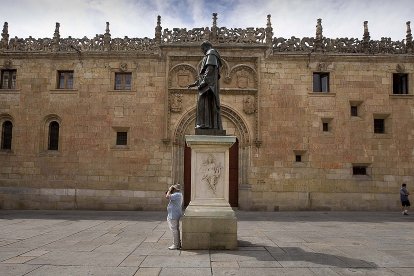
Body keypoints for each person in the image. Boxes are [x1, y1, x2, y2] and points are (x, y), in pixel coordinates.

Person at [188, 41, 223, 130]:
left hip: (208, 87)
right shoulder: (211, 54)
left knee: (202, 104)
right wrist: (196, 83)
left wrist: (203, 82)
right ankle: (207, 124)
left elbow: (210, 69)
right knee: (206, 105)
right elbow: (204, 73)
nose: (203, 51)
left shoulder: (211, 53)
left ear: (205, 47)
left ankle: (204, 124)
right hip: (207, 85)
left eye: (203, 49)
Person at [165, 184, 183, 249]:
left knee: (174, 230)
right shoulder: (178, 194)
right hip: (174, 214)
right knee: (175, 229)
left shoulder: (177, 194)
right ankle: (178, 243)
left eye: (173, 188)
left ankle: (175, 244)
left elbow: (167, 196)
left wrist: (169, 190)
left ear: (175, 189)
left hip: (173, 214)